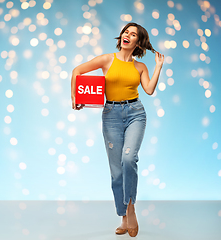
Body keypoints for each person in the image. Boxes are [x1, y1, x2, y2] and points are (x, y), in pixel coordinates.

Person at [71, 22, 164, 237]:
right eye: (126, 32)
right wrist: (75, 96)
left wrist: (158, 65)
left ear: (138, 42)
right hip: (111, 115)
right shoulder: (107, 59)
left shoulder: (140, 67)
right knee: (116, 171)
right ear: (121, 36)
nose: (127, 36)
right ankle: (123, 217)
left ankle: (130, 209)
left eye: (133, 34)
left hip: (135, 113)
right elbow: (77, 71)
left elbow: (149, 90)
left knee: (129, 159)